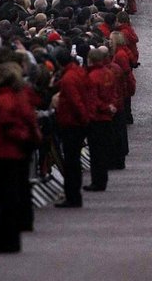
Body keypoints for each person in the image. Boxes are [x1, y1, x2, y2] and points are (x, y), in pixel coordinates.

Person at [0, 61, 40, 252]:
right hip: (14, 151)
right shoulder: (17, 96)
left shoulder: (4, 101)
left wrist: (20, 138)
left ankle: (7, 239)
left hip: (5, 152)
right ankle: (9, 237)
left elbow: (9, 125)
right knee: (13, 194)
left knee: (6, 198)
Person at [53, 49, 91, 208]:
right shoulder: (77, 72)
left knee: (71, 162)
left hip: (71, 124)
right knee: (72, 161)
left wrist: (83, 120)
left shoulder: (68, 78)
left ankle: (73, 196)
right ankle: (73, 194)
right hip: (76, 123)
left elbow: (76, 102)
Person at [85, 47, 116, 193]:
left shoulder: (92, 77)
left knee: (96, 152)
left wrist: (104, 108)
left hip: (97, 118)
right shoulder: (109, 74)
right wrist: (112, 106)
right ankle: (102, 180)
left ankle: (97, 181)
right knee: (102, 151)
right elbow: (114, 93)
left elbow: (93, 100)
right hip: (107, 116)